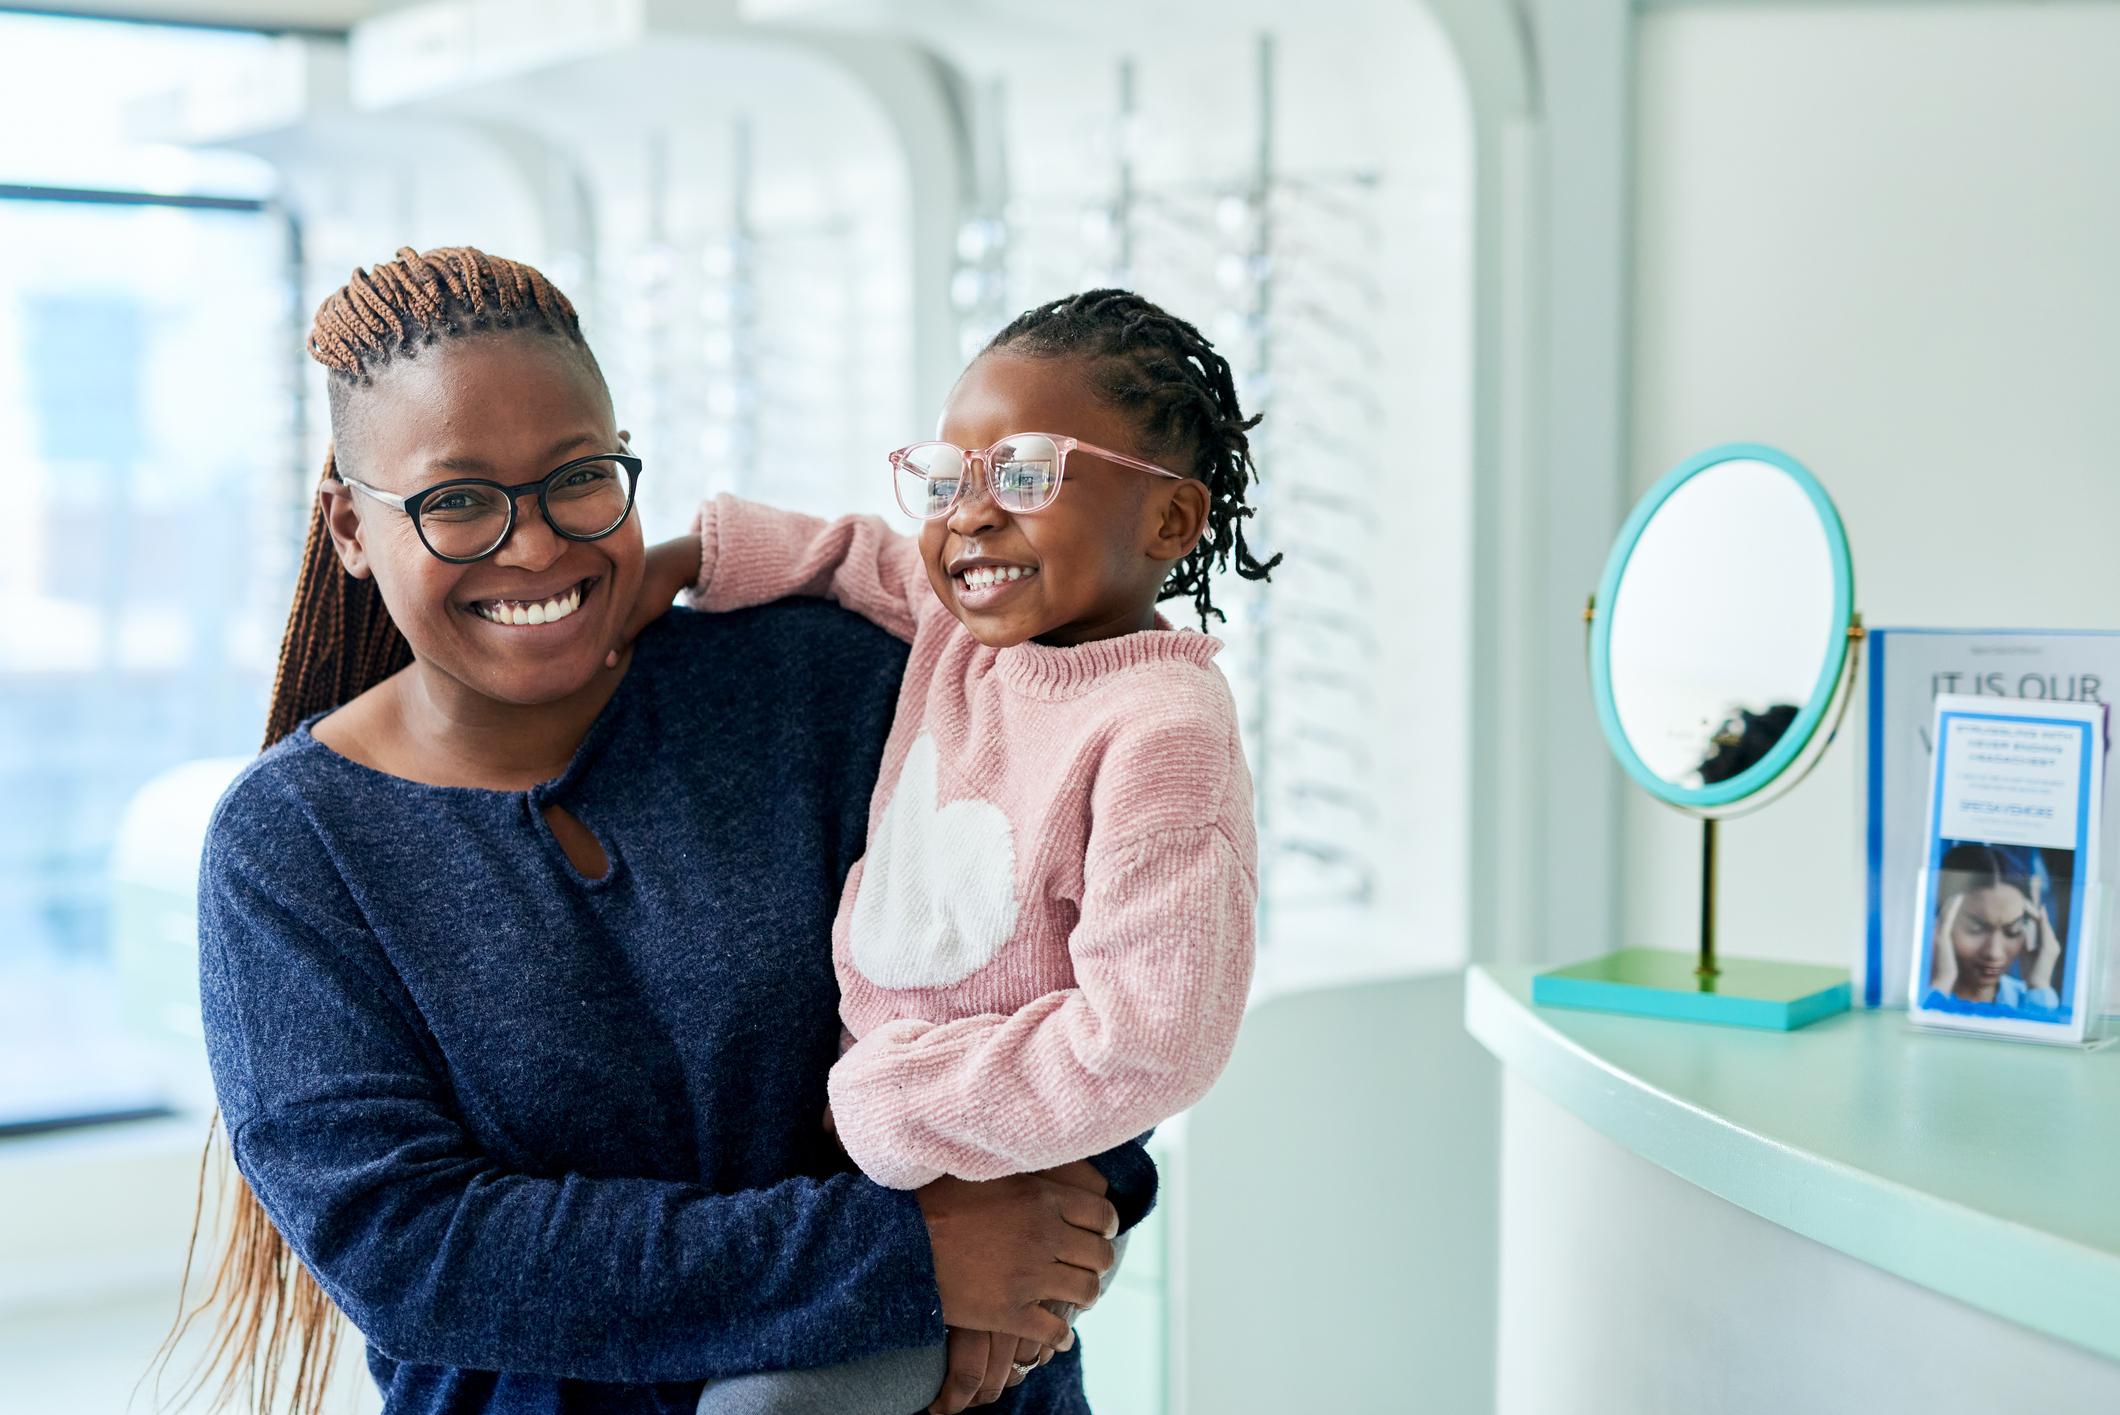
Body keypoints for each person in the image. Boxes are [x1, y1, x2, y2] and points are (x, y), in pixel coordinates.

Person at [164, 247, 1153, 1415]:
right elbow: (421, 1250)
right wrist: (902, 1265)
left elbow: (1075, 972)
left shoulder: (817, 685)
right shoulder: (292, 846)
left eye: (577, 478)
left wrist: (1034, 1252)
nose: (532, 545)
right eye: (457, 500)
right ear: (346, 526)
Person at [614, 291, 1275, 1415]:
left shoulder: (1160, 732)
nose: (969, 516)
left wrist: (894, 1104)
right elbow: (849, 553)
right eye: (947, 478)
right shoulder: (960, 632)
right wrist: (682, 556)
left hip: (980, 1165)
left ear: (1168, 522)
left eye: (1023, 473)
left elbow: (1154, 1041)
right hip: (871, 1164)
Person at [1924, 842, 2065, 1015]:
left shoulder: (2032, 999)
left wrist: (2038, 985)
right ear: (1941, 924)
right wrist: (1941, 983)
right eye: (1975, 929)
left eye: (2012, 931)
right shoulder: (1921, 993)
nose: (1994, 953)